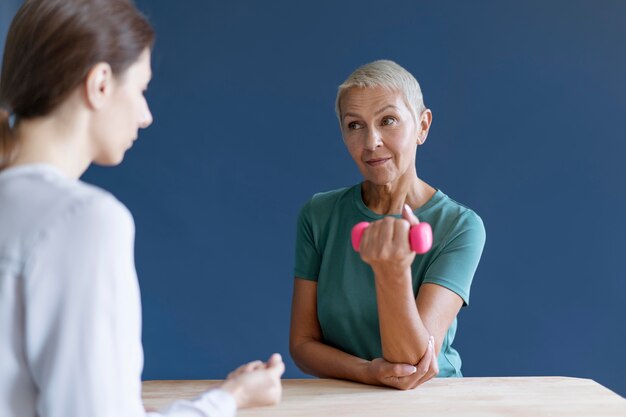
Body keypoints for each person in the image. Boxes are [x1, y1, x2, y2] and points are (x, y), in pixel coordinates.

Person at [0, 1, 284, 416]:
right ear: (99, 83)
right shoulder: (83, 220)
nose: (146, 115)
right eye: (140, 89)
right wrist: (230, 400)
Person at [290, 60, 486, 390]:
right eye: (354, 125)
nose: (371, 142)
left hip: (433, 401)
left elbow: (411, 365)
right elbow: (303, 343)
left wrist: (392, 271)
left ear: (422, 126)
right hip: (345, 398)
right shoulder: (318, 214)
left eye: (388, 120)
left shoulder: (460, 226)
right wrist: (367, 372)